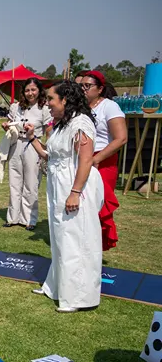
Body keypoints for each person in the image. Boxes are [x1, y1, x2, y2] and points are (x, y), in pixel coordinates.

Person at [25, 81, 104, 312]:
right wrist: (32, 138)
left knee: (75, 237)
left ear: (65, 100)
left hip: (73, 186)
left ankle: (77, 297)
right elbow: (50, 155)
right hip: (58, 186)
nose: (47, 103)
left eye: (51, 98)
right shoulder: (62, 124)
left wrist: (75, 192)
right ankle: (57, 286)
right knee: (60, 235)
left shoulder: (80, 123)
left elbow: (86, 160)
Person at [81, 70, 126, 251]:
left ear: (99, 89)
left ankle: (97, 247)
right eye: (81, 86)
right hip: (83, 159)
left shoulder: (109, 107)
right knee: (83, 205)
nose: (83, 89)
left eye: (87, 86)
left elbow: (121, 138)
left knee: (99, 205)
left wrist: (96, 158)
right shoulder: (80, 108)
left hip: (103, 160)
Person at [2, 79, 52, 230]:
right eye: (27, 90)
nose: (30, 93)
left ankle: (29, 219)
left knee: (31, 183)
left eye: (33, 90)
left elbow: (49, 131)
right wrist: (6, 126)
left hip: (33, 145)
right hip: (16, 144)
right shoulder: (16, 107)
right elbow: (9, 123)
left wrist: (47, 149)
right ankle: (12, 217)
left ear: (39, 91)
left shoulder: (44, 108)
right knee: (14, 181)